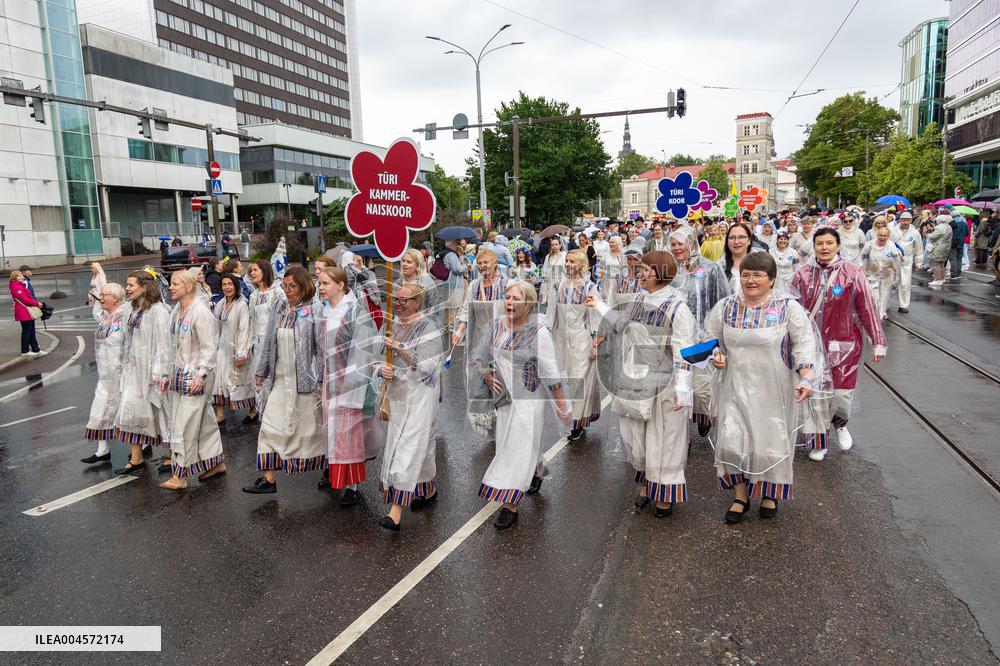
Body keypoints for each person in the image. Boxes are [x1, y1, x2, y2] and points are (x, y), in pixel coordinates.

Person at [705, 252, 818, 523]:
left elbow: (803, 343)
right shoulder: (726, 307)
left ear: (772, 279)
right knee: (732, 442)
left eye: (758, 275)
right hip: (734, 386)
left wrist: (806, 376)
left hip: (774, 389)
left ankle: (769, 493)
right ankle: (740, 496)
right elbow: (710, 340)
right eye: (745, 274)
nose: (750, 280)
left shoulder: (788, 308)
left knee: (769, 444)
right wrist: (716, 355)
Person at [588, 251, 694, 518]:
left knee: (665, 438)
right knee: (636, 434)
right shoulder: (637, 300)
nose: (639, 273)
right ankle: (649, 482)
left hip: (665, 383)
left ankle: (664, 494)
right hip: (637, 377)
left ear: (660, 272)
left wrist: (682, 389)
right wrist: (598, 304)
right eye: (640, 268)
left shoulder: (678, 307)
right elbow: (621, 324)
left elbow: (684, 351)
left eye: (646, 269)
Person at [473, 280, 570, 529]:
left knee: (515, 447)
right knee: (511, 443)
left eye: (516, 298)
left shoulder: (539, 333)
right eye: (507, 297)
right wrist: (486, 374)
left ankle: (510, 505)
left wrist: (562, 406)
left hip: (529, 400)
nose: (509, 302)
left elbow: (551, 374)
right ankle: (536, 469)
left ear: (528, 303)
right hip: (504, 399)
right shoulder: (496, 327)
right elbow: (479, 358)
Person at [791, 227, 886, 461]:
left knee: (841, 395)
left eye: (829, 243)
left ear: (837, 245)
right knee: (816, 394)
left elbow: (867, 308)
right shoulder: (802, 274)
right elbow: (790, 309)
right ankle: (819, 442)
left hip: (845, 343)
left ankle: (840, 423)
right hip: (811, 345)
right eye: (820, 243)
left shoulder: (853, 273)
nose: (824, 248)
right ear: (813, 247)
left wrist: (878, 341)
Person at [244, 266, 326, 494]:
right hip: (280, 380)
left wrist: (320, 381)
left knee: (311, 432)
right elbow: (270, 340)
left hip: (305, 384)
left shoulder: (315, 309)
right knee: (269, 426)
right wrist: (261, 371)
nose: (288, 291)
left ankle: (328, 467)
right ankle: (268, 480)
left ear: (304, 286)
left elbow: (321, 350)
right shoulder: (280, 307)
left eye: (293, 286)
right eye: (285, 286)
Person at [375, 282, 443, 531]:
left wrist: (401, 350)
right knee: (420, 448)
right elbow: (376, 357)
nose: (399, 303)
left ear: (418, 302)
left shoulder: (429, 328)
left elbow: (427, 367)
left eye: (404, 300)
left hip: (421, 395)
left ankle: (395, 512)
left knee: (409, 447)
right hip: (398, 395)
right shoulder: (389, 326)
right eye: (396, 299)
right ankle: (429, 490)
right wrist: (381, 369)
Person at [319, 266, 381, 506]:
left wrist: (351, 385)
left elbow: (363, 351)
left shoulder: (356, 311)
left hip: (349, 386)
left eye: (326, 284)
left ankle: (353, 486)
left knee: (349, 435)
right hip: (330, 382)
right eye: (321, 284)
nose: (321, 288)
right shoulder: (327, 311)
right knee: (334, 433)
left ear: (341, 285)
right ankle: (338, 478)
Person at [160, 269, 226, 490]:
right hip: (179, 376)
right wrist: (163, 374)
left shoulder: (201, 312)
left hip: (197, 377)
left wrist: (201, 374)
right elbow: (170, 346)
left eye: (175, 284)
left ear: (188, 286)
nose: (171, 287)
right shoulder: (176, 311)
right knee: (204, 421)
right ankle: (216, 463)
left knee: (184, 424)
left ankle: (179, 475)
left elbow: (210, 346)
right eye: (171, 283)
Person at [670, 227, 730, 437]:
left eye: (681, 243)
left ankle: (703, 418)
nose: (677, 248)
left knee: (703, 388)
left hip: (704, 338)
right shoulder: (669, 270)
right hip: (679, 338)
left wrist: (718, 339)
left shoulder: (711, 269)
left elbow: (722, 301)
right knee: (680, 384)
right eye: (673, 244)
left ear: (692, 243)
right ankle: (683, 435)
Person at [113, 269, 172, 474]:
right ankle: (136, 458)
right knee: (130, 412)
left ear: (145, 286)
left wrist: (159, 372)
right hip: (133, 370)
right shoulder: (132, 309)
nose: (127, 289)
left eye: (131, 285)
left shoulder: (159, 311)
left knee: (160, 413)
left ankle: (172, 455)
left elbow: (164, 344)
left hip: (152, 372)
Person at [547, 249, 602, 442]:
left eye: (572, 261)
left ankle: (576, 423)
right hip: (562, 339)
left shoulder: (589, 287)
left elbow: (595, 315)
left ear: (581, 265)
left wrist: (595, 342)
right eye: (567, 261)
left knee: (580, 382)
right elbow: (551, 314)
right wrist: (547, 338)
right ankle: (570, 418)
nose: (568, 264)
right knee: (566, 381)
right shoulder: (557, 286)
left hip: (581, 339)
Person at [80, 282, 128, 466]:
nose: (101, 298)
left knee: (128, 412)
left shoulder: (124, 315)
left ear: (115, 298)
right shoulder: (106, 317)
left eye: (104, 295)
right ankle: (102, 450)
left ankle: (143, 444)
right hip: (106, 376)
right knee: (100, 408)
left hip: (122, 374)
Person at [211, 274, 254, 425]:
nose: (227, 287)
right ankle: (220, 413)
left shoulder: (242, 305)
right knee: (218, 381)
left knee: (240, 381)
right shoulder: (220, 304)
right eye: (224, 284)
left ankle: (253, 409)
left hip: (236, 349)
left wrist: (241, 352)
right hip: (221, 350)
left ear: (236, 286)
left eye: (230, 284)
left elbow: (244, 329)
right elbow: (215, 328)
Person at [246, 259, 284, 423]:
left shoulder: (277, 293)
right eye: (251, 271)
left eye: (255, 270)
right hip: (258, 343)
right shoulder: (254, 296)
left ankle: (275, 416)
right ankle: (264, 416)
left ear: (265, 271)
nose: (252, 273)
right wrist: (248, 344)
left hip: (274, 342)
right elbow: (252, 321)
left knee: (273, 379)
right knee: (259, 380)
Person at [861, 227, 902, 321]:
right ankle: (875, 315)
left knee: (884, 295)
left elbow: (897, 262)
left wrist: (896, 275)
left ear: (888, 236)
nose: (882, 237)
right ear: (877, 235)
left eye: (885, 236)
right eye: (880, 235)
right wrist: (864, 270)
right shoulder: (870, 244)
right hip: (872, 274)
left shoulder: (891, 246)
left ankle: (880, 316)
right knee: (874, 296)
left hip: (886, 274)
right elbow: (862, 257)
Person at [9, 270, 44, 358]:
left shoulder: (20, 285)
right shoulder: (15, 287)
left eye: (22, 276)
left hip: (26, 311)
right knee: (26, 331)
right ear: (14, 278)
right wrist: (36, 304)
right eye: (19, 276)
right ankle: (25, 351)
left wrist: (35, 302)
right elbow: (24, 299)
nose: (22, 277)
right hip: (23, 311)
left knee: (31, 330)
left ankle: (36, 349)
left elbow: (27, 297)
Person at [894, 212, 923, 313]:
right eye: (903, 220)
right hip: (893, 261)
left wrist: (919, 262)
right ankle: (883, 304)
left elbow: (919, 249)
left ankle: (903, 305)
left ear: (911, 220)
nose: (905, 222)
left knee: (905, 283)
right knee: (892, 283)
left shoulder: (915, 233)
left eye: (907, 220)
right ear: (900, 220)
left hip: (907, 261)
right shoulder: (893, 231)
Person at [439, 239, 469, 332]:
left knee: (448, 305)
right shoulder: (451, 255)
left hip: (447, 283)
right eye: (455, 243)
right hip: (455, 283)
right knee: (454, 305)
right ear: (452, 244)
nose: (456, 245)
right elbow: (457, 269)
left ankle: (446, 325)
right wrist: (466, 266)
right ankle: (452, 325)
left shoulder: (444, 254)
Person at [720, 222, 758, 293]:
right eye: (732, 238)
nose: (736, 241)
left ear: (749, 240)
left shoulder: (760, 264)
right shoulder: (720, 267)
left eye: (741, 237)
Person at [926, 214, 954, 290]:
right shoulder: (948, 227)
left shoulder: (939, 228)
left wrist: (929, 233)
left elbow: (932, 236)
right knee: (941, 264)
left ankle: (937, 279)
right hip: (946, 247)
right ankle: (942, 278)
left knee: (936, 263)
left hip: (938, 247)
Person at [540, 237, 566, 306]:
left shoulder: (564, 255)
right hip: (551, 282)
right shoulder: (548, 257)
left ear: (560, 245)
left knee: (561, 301)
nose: (554, 246)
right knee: (552, 301)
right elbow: (544, 268)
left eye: (556, 244)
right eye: (552, 245)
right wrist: (545, 276)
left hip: (562, 281)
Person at [949, 209, 967, 279]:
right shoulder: (964, 223)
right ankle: (958, 274)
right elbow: (967, 233)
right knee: (959, 258)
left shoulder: (952, 223)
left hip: (953, 243)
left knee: (953, 259)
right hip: (961, 243)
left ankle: (953, 274)